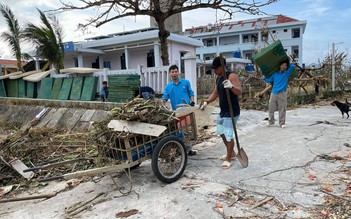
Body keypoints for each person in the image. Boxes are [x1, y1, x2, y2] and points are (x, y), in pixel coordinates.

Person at [200, 57, 242, 169]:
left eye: (215, 69)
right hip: (223, 111)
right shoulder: (218, 78)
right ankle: (232, 153)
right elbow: (215, 93)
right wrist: (207, 101)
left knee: (228, 135)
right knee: (221, 131)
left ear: (222, 67)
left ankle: (229, 158)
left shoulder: (231, 76)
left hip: (232, 111)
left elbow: (239, 91)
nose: (214, 71)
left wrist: (231, 86)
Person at [264, 59, 295, 128]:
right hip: (274, 93)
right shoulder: (275, 74)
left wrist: (288, 60)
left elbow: (292, 66)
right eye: (282, 65)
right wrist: (265, 75)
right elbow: (268, 80)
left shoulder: (286, 73)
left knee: (282, 109)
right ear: (280, 66)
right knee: (271, 108)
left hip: (282, 93)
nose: (284, 67)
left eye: (285, 65)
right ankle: (271, 121)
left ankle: (282, 123)